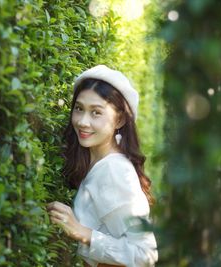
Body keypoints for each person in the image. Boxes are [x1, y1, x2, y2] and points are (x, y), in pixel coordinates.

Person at [47, 65, 158, 267]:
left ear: (120, 119)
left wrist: (83, 233)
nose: (82, 121)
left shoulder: (114, 170)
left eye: (96, 112)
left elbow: (145, 254)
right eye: (79, 109)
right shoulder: (96, 162)